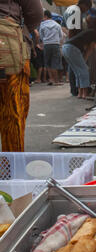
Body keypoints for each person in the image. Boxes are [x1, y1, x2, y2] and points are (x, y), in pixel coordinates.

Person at [0, 0, 43, 152]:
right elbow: (35, 12)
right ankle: (11, 168)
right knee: (12, 110)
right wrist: (24, 30)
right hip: (6, 40)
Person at [62, 16, 96, 99]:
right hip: (72, 48)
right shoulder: (95, 33)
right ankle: (84, 93)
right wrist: (84, 60)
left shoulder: (89, 31)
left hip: (65, 47)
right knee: (84, 70)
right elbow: (90, 49)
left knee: (78, 71)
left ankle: (80, 93)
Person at [63, 0, 92, 96]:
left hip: (69, 44)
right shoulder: (76, 10)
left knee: (76, 70)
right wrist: (74, 42)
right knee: (82, 69)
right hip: (73, 45)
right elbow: (72, 29)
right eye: (87, 8)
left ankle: (78, 92)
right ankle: (82, 92)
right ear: (84, 5)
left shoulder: (70, 9)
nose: (86, 11)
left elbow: (65, 27)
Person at [39, 10, 64, 86]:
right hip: (55, 44)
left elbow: (41, 35)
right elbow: (61, 36)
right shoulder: (57, 25)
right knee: (55, 62)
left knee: (48, 63)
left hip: (46, 45)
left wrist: (45, 40)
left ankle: (51, 79)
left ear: (46, 16)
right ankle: (56, 81)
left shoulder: (42, 25)